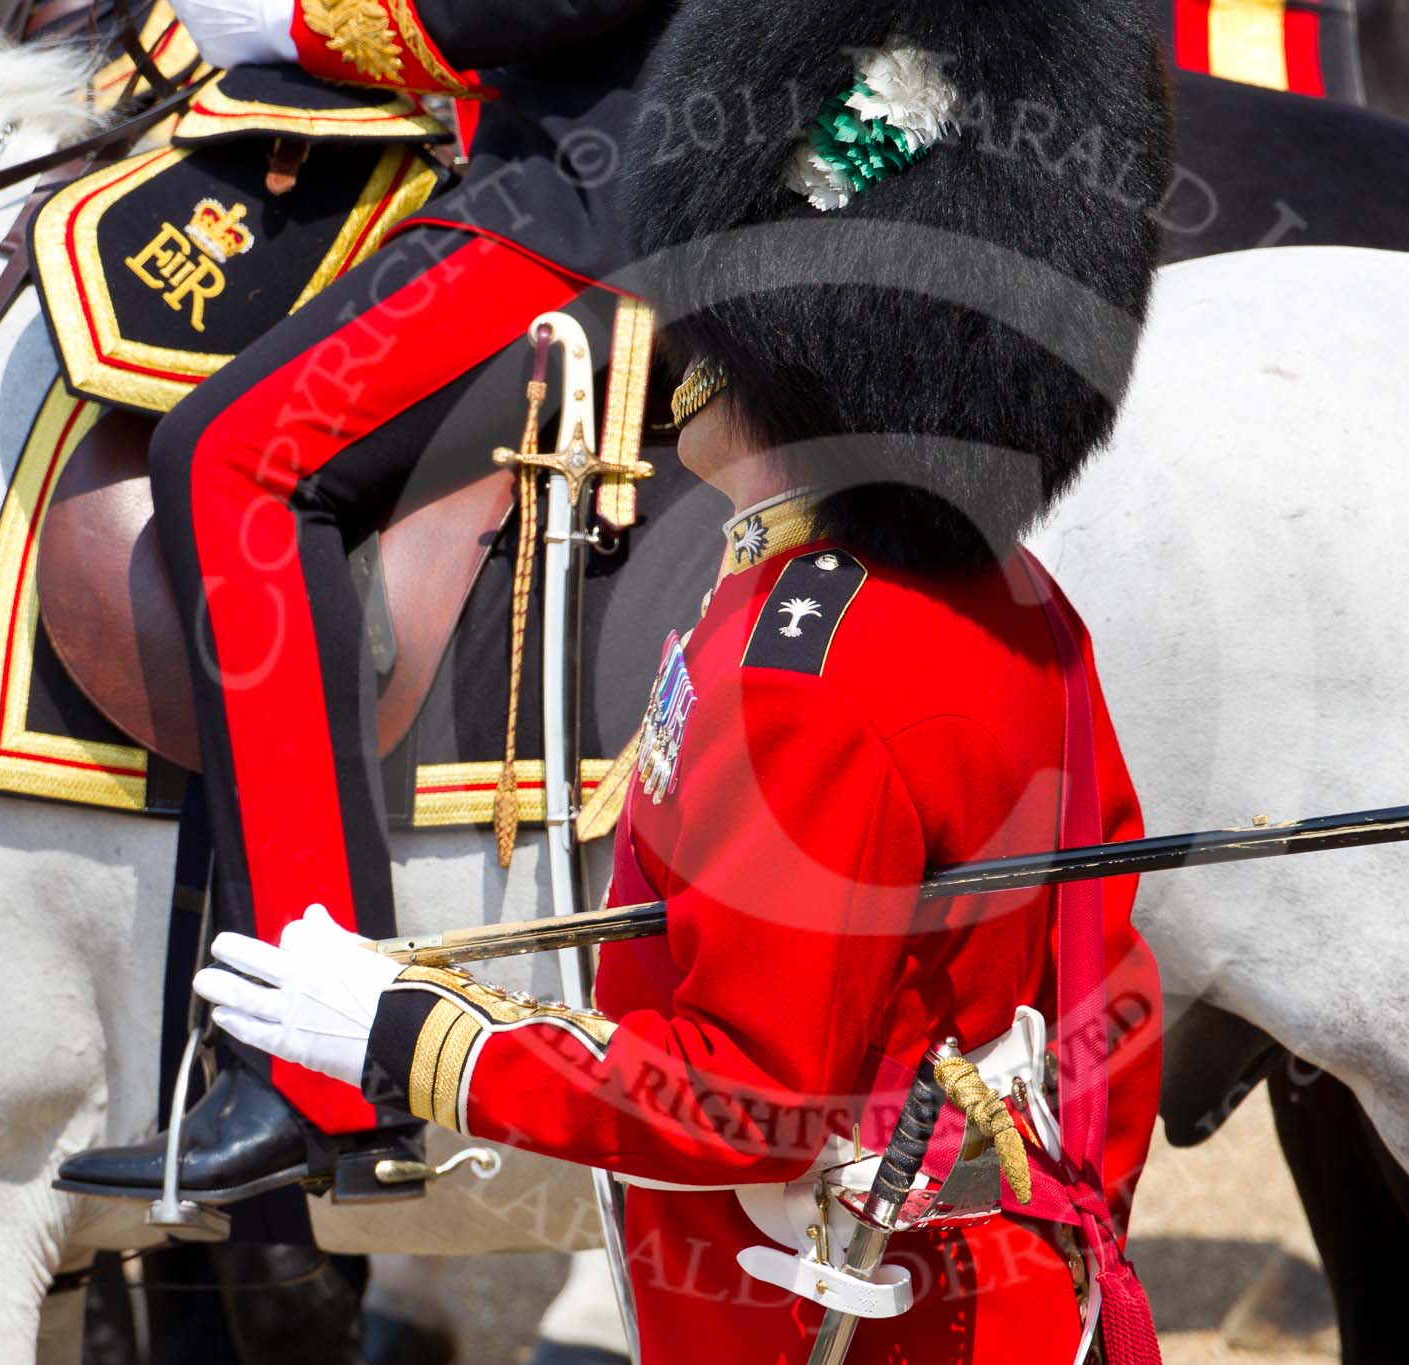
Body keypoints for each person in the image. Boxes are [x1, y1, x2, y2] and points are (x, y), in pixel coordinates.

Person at [192, 0, 1176, 1358]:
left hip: (835, 1319)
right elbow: (1100, 992)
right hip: (1005, 1299)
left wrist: (416, 1032)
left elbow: (747, 1096)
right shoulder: (1015, 605)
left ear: (767, 343)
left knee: (229, 456)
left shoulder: (803, 673)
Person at [56, 0, 673, 1201]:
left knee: (233, 457)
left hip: (600, 196)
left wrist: (314, 21)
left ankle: (320, 1061)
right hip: (581, 163)